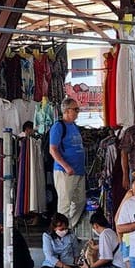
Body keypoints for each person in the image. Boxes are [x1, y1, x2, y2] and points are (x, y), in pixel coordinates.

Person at [49, 97, 87, 229]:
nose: (77, 112)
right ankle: (60, 232)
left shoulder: (74, 126)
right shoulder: (58, 126)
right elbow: (53, 150)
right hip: (65, 171)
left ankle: (68, 227)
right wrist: (66, 166)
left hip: (79, 171)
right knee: (64, 204)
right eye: (75, 109)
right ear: (66, 110)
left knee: (80, 201)